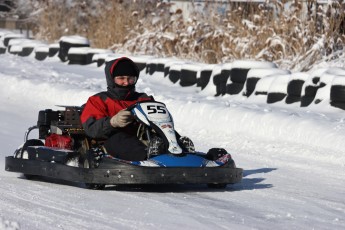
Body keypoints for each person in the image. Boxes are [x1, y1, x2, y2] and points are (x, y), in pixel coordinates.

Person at [80, 57, 153, 161]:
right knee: (118, 138)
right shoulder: (98, 100)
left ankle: (181, 153)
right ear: (112, 79)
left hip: (143, 138)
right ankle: (148, 158)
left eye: (130, 78)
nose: (126, 83)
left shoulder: (144, 99)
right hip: (112, 142)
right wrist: (113, 122)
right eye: (121, 78)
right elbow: (91, 129)